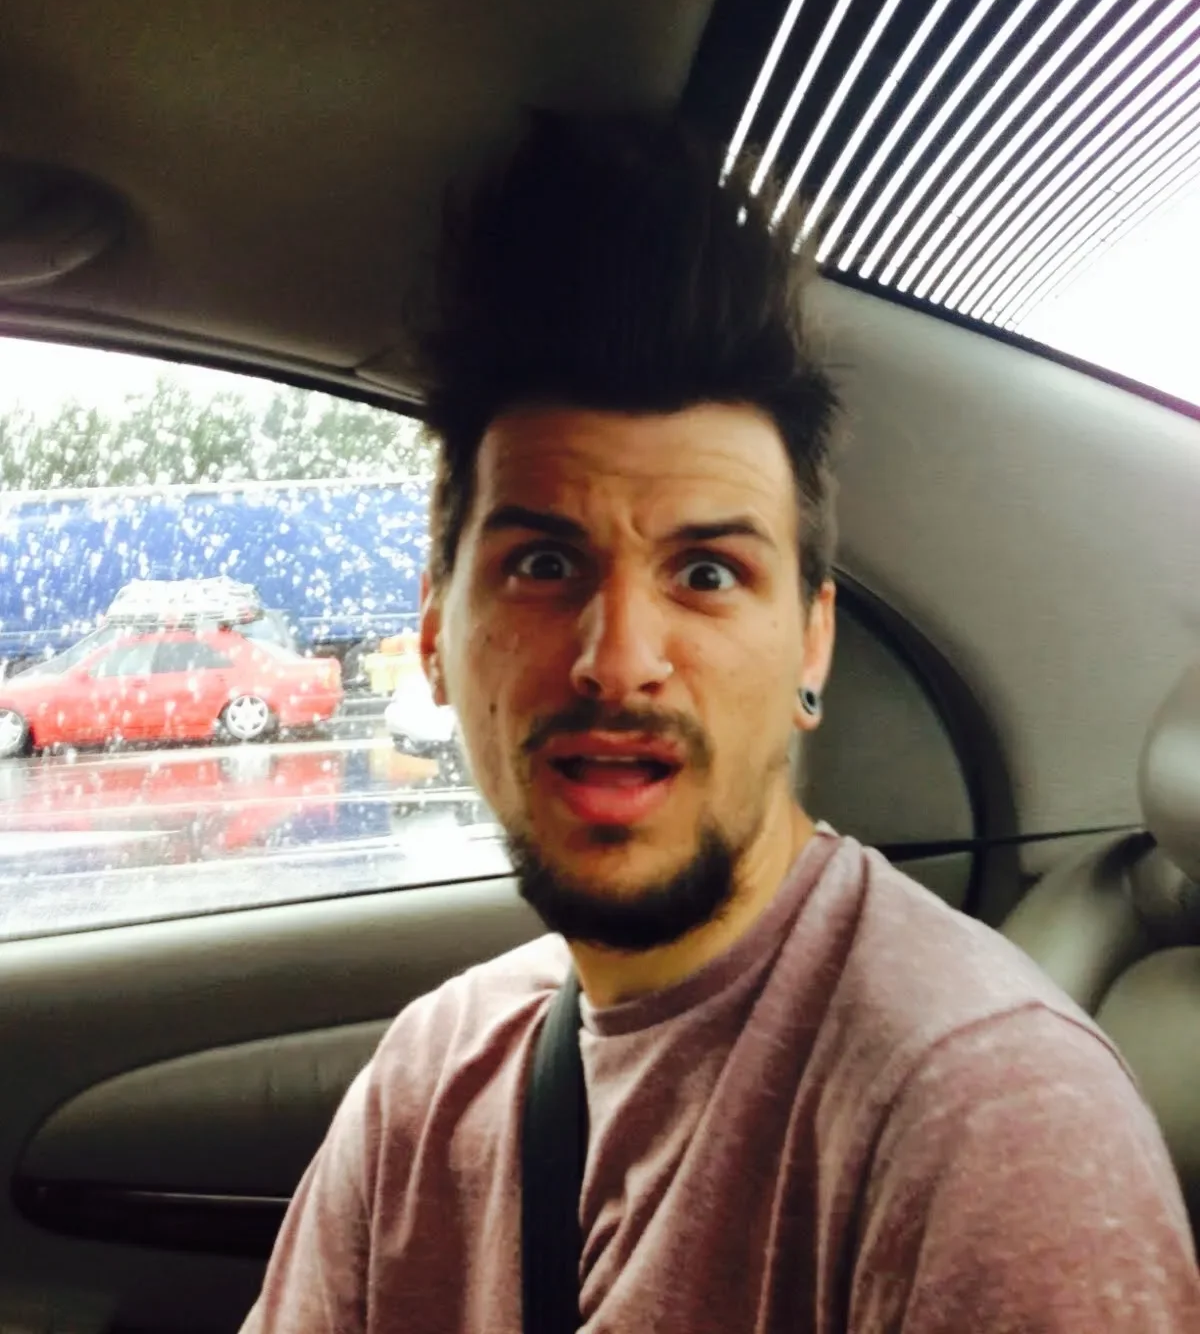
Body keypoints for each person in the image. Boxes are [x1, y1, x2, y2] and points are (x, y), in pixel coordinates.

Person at [242, 113, 1199, 1332]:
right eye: (542, 561)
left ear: (812, 643)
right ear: (435, 633)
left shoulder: (991, 1118)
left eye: (706, 574)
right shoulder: (429, 1082)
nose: (618, 658)